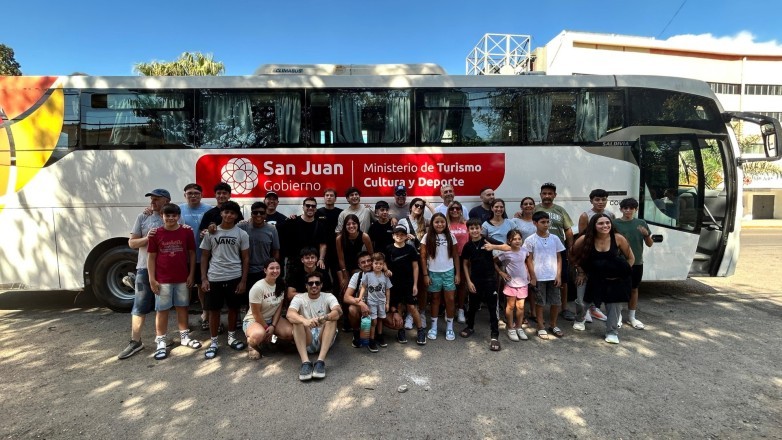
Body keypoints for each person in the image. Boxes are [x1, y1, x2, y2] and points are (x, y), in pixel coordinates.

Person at [118, 189, 169, 360]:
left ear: (166, 201)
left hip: (165, 268)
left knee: (162, 306)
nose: (153, 202)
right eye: (152, 199)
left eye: (157, 199)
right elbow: (132, 243)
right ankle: (135, 341)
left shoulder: (173, 216)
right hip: (143, 268)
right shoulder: (143, 217)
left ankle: (161, 339)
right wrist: (148, 238)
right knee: (139, 305)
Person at [147, 203, 201, 360]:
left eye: (174, 215)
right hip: (162, 279)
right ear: (162, 216)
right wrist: (152, 279)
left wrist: (191, 275)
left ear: (178, 216)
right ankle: (161, 341)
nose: (171, 218)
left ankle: (184, 337)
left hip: (182, 278)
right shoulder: (156, 233)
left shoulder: (186, 232)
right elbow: (151, 257)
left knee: (182, 307)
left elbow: (192, 254)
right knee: (162, 310)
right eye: (167, 215)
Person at [571, 214, 635, 344]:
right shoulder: (584, 239)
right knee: (582, 303)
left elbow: (631, 258)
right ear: (593, 226)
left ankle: (611, 332)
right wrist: (581, 272)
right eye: (601, 223)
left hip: (613, 279)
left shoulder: (618, 238)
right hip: (590, 277)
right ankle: (580, 319)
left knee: (614, 305)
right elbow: (572, 255)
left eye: (607, 222)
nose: (605, 225)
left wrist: (621, 272)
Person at [200, 200, 250, 359]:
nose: (229, 215)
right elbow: (204, 257)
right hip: (214, 277)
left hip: (235, 276)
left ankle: (231, 337)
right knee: (214, 311)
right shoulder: (211, 233)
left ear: (236, 216)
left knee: (233, 308)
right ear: (221, 213)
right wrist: (204, 279)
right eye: (226, 212)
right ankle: (213, 342)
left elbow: (246, 259)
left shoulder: (242, 234)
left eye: (233, 213)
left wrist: (243, 281)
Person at [198, 182, 243, 334]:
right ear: (215, 195)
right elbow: (202, 234)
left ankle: (233, 327)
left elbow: (241, 231)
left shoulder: (238, 216)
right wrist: (207, 231)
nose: (221, 195)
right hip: (215, 266)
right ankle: (211, 326)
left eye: (225, 193)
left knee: (233, 305)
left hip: (233, 267)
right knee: (214, 306)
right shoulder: (209, 214)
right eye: (219, 193)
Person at [287, 271, 341, 381]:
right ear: (306, 286)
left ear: (321, 285)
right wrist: (304, 321)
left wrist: (324, 318)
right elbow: (289, 314)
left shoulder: (328, 296)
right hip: (306, 339)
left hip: (324, 338)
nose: (314, 285)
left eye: (317, 283)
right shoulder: (299, 298)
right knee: (297, 320)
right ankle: (305, 362)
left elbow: (338, 312)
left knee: (331, 318)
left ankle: (320, 362)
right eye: (311, 283)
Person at [535, 182, 575, 322]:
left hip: (558, 251)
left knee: (563, 281)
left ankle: (564, 308)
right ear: (540, 195)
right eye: (544, 193)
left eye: (550, 194)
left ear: (554, 195)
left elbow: (568, 231)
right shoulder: (534, 209)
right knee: (538, 282)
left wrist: (570, 248)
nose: (547, 196)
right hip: (539, 252)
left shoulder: (560, 210)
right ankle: (535, 312)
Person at [460, 219, 502, 351]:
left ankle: (494, 336)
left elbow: (508, 247)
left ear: (481, 229)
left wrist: (493, 247)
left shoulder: (488, 240)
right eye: (471, 228)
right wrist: (468, 281)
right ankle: (470, 327)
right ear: (468, 230)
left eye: (477, 228)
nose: (474, 231)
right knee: (472, 306)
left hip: (490, 280)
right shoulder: (467, 246)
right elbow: (465, 264)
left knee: (492, 308)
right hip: (475, 280)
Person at [611, 197, 653, 330]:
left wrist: (646, 235)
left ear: (636, 209)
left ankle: (632, 317)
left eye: (631, 208)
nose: (628, 211)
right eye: (625, 208)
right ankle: (617, 317)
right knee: (618, 289)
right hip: (620, 262)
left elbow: (649, 244)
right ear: (621, 209)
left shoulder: (641, 223)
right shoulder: (614, 223)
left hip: (637, 262)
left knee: (634, 289)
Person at [575, 189, 615, 323]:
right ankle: (583, 311)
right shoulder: (586, 216)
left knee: (597, 284)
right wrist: (580, 266)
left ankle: (594, 309)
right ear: (591, 200)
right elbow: (581, 238)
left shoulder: (610, 215)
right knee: (584, 284)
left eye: (603, 199)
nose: (601, 202)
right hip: (589, 255)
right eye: (597, 199)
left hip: (603, 255)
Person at [525, 211, 566, 340]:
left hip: (553, 275)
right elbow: (528, 259)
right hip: (539, 276)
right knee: (540, 302)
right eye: (542, 222)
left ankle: (553, 325)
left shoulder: (555, 238)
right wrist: (532, 276)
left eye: (547, 222)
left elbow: (559, 258)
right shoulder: (530, 240)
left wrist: (558, 275)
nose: (546, 224)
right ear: (535, 223)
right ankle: (540, 326)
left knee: (556, 301)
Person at [421, 212, 460, 341]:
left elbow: (455, 256)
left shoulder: (451, 236)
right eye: (437, 222)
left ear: (446, 223)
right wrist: (426, 275)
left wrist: (458, 273)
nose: (439, 224)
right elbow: (422, 257)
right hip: (433, 272)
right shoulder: (427, 237)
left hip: (448, 272)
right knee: (435, 299)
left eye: (442, 222)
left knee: (450, 299)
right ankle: (434, 327)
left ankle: (450, 327)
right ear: (432, 223)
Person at [244, 259, 293, 360]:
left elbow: (279, 308)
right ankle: (252, 344)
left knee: (290, 333)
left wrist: (273, 326)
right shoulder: (258, 287)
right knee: (258, 335)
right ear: (265, 270)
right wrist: (267, 328)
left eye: (277, 268)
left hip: (272, 319)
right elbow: (256, 313)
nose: (275, 270)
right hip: (254, 320)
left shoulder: (280, 284)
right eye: (271, 268)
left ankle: (273, 340)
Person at [178, 183, 211, 330]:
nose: (193, 196)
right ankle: (184, 322)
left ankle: (205, 314)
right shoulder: (178, 210)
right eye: (189, 193)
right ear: (185, 195)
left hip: (205, 256)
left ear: (201, 195)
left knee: (203, 286)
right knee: (186, 287)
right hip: (183, 257)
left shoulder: (209, 210)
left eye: (196, 193)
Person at [238, 201, 281, 314]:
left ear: (266, 214)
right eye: (255, 212)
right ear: (251, 213)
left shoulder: (272, 229)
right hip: (244, 270)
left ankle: (263, 323)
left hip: (263, 271)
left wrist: (274, 269)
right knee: (247, 300)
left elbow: (276, 251)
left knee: (264, 300)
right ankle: (248, 324)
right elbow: (226, 229)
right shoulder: (242, 226)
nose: (258, 215)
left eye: (261, 213)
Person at [387, 225, 425, 345]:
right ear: (393, 236)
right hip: (393, 284)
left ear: (406, 236)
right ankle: (400, 330)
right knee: (398, 308)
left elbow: (415, 267)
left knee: (412, 307)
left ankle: (420, 330)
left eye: (402, 234)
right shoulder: (388, 249)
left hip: (408, 283)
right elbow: (383, 264)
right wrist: (385, 270)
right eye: (397, 234)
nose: (399, 236)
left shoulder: (410, 249)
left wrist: (415, 285)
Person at [495, 230, 535, 342]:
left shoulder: (524, 251)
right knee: (511, 306)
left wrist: (530, 274)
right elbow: (494, 262)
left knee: (521, 306)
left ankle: (519, 326)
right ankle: (510, 328)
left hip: (523, 283)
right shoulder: (505, 253)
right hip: (511, 283)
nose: (517, 241)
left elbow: (526, 262)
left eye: (519, 239)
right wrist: (501, 272)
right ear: (509, 241)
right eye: (514, 239)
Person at [398, 197, 429, 325]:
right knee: (410, 286)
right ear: (411, 207)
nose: (419, 208)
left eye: (422, 206)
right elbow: (397, 237)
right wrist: (405, 238)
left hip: (421, 257)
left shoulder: (425, 222)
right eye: (416, 205)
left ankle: (421, 313)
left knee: (422, 287)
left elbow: (441, 219)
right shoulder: (402, 221)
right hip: (407, 258)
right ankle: (410, 313)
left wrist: (430, 206)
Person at [356, 253, 393, 352]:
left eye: (380, 263)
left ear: (383, 264)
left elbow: (388, 290)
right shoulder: (368, 275)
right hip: (371, 302)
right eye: (376, 263)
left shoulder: (385, 276)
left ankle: (380, 336)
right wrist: (360, 297)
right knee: (374, 321)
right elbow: (363, 287)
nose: (378, 265)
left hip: (382, 302)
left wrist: (388, 303)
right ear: (372, 264)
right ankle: (371, 340)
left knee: (380, 319)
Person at [281, 197, 327, 275]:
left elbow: (323, 245)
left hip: (312, 263)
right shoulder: (292, 222)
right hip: (294, 263)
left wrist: (321, 259)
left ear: (316, 209)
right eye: (308, 206)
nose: (310, 208)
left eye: (313, 206)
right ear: (303, 207)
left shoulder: (320, 225)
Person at [336, 214, 373, 293]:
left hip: (356, 264)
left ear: (358, 224)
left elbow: (371, 255)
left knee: (357, 285)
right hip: (342, 265)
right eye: (348, 224)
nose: (351, 226)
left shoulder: (364, 236)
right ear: (345, 226)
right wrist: (345, 276)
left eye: (354, 223)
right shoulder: (339, 238)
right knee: (344, 287)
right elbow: (340, 258)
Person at [447, 200, 469, 323]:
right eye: (452, 209)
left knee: (461, 286)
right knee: (449, 286)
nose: (455, 210)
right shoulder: (445, 225)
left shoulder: (466, 224)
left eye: (457, 208)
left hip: (463, 259)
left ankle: (460, 310)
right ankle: (449, 309)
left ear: (461, 210)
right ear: (448, 211)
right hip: (448, 259)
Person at [316, 188, 343, 291]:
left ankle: (337, 299)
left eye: (331, 195)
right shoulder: (318, 212)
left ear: (335, 199)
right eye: (327, 195)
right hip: (322, 250)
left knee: (337, 277)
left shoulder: (341, 213)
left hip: (337, 250)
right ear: (324, 198)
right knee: (322, 275)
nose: (329, 197)